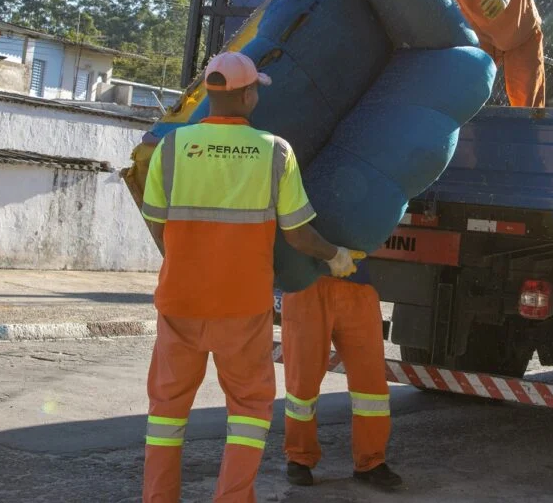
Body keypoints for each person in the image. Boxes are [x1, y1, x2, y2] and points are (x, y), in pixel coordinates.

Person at [140, 51, 360, 503]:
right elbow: (298, 234)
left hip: (179, 302)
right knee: (249, 410)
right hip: (242, 307)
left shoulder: (172, 148)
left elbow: (157, 225)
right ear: (246, 94)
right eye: (256, 87)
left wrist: (184, 258)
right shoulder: (274, 151)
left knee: (166, 413)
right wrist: (334, 256)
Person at [281, 257, 402, 490]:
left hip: (356, 283)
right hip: (307, 284)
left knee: (371, 388)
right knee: (302, 384)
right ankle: (299, 458)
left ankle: (371, 462)